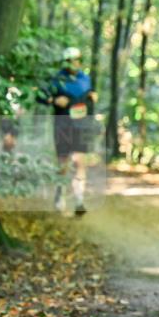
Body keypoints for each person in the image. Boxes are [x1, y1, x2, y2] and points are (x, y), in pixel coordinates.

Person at [39, 47, 96, 216]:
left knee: (80, 161)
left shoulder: (85, 78)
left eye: (77, 59)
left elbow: (89, 94)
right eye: (71, 60)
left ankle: (79, 200)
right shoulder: (57, 79)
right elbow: (41, 95)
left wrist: (93, 96)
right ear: (65, 62)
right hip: (62, 124)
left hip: (81, 124)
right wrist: (54, 99)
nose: (75, 63)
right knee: (63, 162)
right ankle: (60, 193)